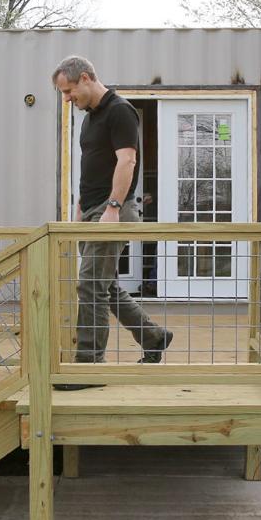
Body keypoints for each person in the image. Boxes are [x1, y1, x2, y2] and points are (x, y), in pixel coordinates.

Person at [52, 55, 172, 382]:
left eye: (69, 90)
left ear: (87, 78)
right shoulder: (90, 119)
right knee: (105, 284)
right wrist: (79, 211)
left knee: (90, 285)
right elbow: (92, 168)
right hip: (92, 211)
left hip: (112, 209)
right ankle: (154, 337)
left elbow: (127, 161)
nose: (66, 99)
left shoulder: (120, 110)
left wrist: (113, 208)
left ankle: (89, 366)